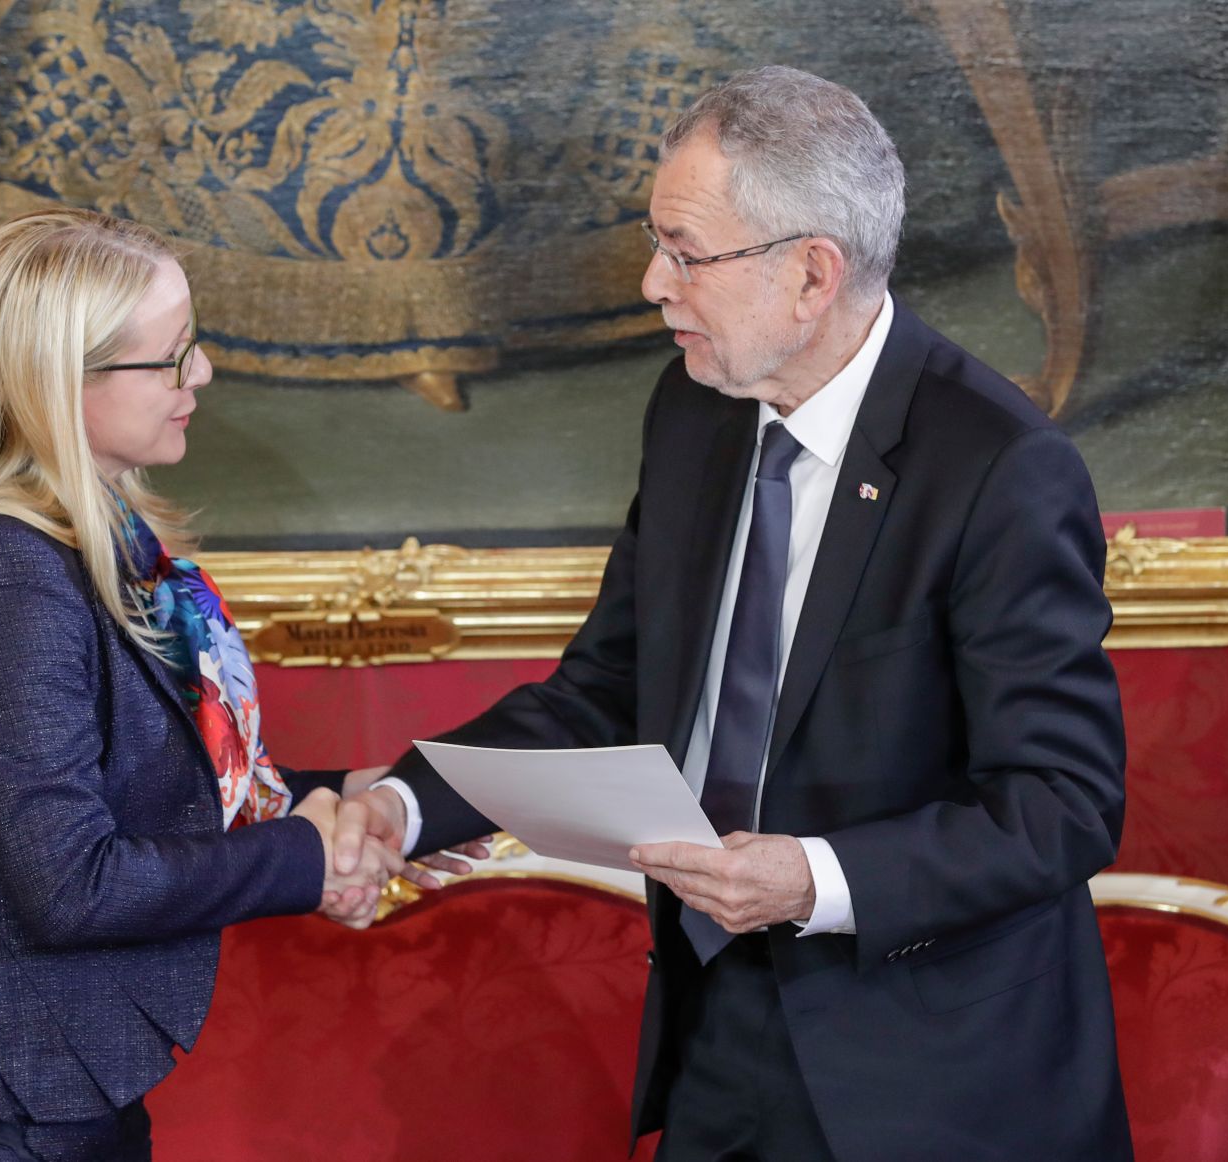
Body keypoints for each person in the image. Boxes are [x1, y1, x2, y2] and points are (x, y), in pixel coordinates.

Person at [355, 66, 1133, 1160]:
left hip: (932, 1080)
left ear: (810, 274)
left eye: (684, 250)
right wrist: (403, 803)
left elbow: (1061, 803)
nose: (650, 282)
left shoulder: (998, 467)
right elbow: (607, 688)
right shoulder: (695, 410)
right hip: (719, 1032)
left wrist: (811, 877)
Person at [0, 207, 469, 1160]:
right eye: (172, 356)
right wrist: (310, 856)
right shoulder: (8, 571)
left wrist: (363, 802)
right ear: (59, 384)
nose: (201, 375)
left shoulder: (99, 550)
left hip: (53, 1079)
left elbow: (181, 785)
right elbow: (72, 884)